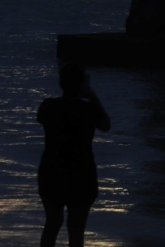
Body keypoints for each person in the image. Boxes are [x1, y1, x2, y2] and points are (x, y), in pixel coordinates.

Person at [37, 63, 111, 247]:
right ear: (81, 85)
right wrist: (91, 95)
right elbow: (106, 125)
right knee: (76, 230)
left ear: (61, 83)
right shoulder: (88, 110)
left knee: (53, 223)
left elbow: (41, 117)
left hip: (52, 173)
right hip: (81, 174)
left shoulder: (48, 106)